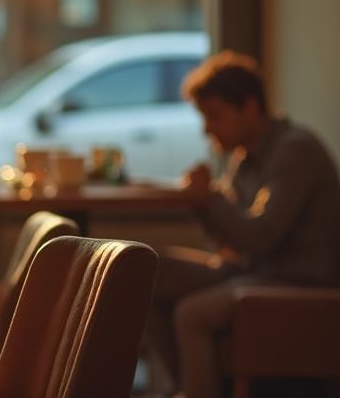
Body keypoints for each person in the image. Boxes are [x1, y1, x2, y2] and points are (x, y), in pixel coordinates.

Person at [143, 51, 340, 398]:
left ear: (250, 107)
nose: (207, 129)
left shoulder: (295, 150)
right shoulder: (242, 157)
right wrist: (200, 205)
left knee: (192, 313)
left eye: (215, 116)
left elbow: (261, 236)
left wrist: (211, 199)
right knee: (146, 271)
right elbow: (228, 243)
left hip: (298, 279)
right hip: (253, 269)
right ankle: (181, 388)